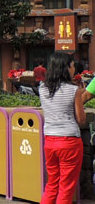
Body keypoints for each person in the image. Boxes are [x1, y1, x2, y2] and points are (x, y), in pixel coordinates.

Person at [40, 53, 85, 204]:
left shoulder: (43, 89)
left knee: (52, 184)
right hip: (69, 142)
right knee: (66, 188)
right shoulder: (74, 91)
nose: (74, 69)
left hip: (50, 142)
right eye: (72, 66)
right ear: (65, 68)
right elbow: (81, 120)